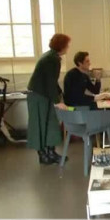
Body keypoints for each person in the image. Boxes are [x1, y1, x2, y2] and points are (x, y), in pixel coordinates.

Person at [27, 33, 70, 165]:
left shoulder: (51, 56)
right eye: (67, 45)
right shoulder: (52, 59)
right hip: (38, 95)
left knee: (51, 123)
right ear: (62, 46)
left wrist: (60, 94)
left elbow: (52, 81)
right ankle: (42, 154)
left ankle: (51, 152)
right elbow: (50, 82)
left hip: (44, 95)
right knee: (39, 125)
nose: (68, 47)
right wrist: (57, 102)